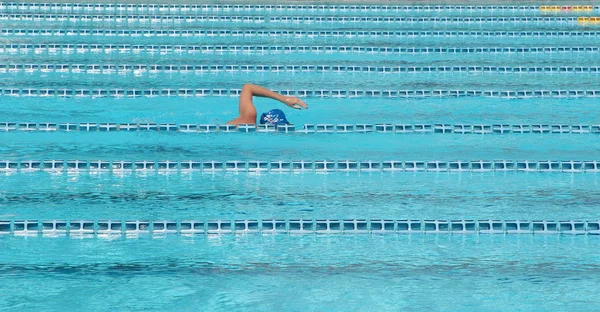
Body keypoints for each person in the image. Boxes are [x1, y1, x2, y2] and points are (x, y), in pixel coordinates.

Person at [227, 84, 308, 125]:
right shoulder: (247, 121)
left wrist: (284, 99)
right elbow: (247, 87)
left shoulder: (247, 120)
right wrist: (284, 99)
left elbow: (248, 87)